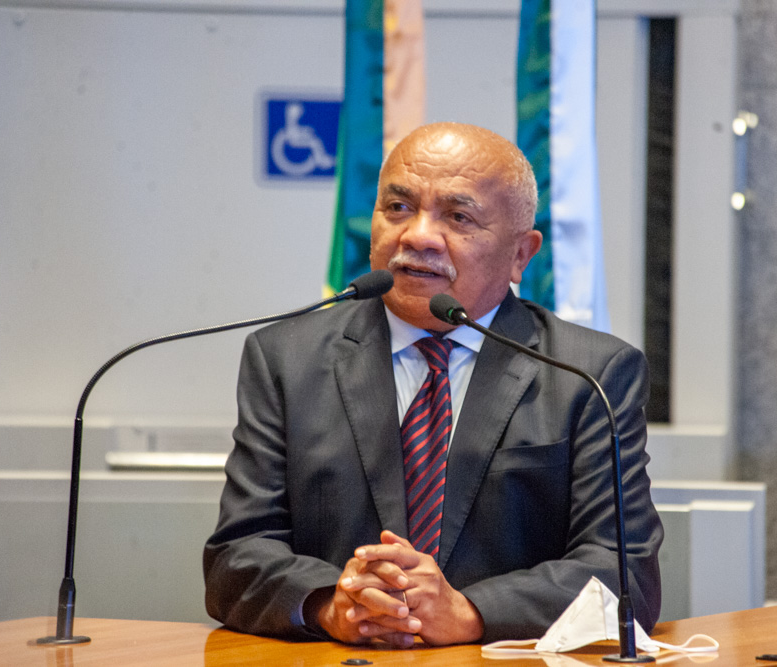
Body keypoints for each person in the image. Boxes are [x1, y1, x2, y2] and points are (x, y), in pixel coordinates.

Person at [203, 122, 663, 647]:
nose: (417, 236)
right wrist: (331, 603)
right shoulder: (286, 359)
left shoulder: (589, 374)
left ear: (521, 254)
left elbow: (624, 573)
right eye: (398, 208)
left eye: (458, 216)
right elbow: (236, 557)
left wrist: (469, 611)